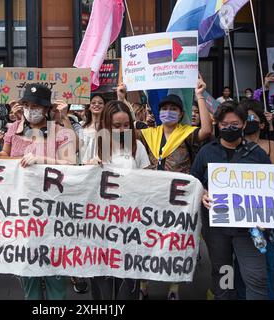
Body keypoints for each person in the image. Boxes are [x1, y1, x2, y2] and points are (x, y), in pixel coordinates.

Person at [0, 84, 76, 300]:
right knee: (29, 277)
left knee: (54, 274)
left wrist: (42, 160)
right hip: (22, 211)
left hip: (53, 210)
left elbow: (71, 164)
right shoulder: (12, 129)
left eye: (36, 106)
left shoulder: (61, 133)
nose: (30, 110)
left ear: (46, 109)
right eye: (27, 105)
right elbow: (6, 159)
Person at [140, 76, 212, 300]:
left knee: (175, 243)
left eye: (173, 109)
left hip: (178, 199)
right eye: (165, 108)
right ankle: (143, 286)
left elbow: (207, 131)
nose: (168, 112)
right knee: (145, 241)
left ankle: (174, 289)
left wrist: (200, 95)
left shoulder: (187, 134)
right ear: (158, 112)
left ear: (181, 114)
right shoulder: (149, 135)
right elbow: (121, 134)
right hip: (152, 196)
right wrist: (123, 98)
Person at [191, 101, 271, 300]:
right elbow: (194, 181)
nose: (229, 128)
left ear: (244, 124)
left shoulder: (257, 154)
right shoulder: (207, 152)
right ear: (217, 124)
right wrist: (202, 194)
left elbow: (271, 187)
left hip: (250, 229)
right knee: (223, 274)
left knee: (256, 277)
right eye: (224, 124)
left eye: (234, 123)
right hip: (217, 229)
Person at [88, 100, 150, 300]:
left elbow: (148, 181)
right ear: (106, 125)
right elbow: (81, 183)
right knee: (103, 284)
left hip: (130, 225)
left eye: (126, 125)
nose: (123, 130)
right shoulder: (95, 145)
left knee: (127, 284)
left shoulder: (138, 147)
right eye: (117, 126)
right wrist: (88, 166)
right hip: (100, 225)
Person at [232, 99, 274, 300]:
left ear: (262, 123)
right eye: (247, 117)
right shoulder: (236, 147)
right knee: (241, 267)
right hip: (241, 215)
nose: (250, 121)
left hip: (264, 216)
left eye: (254, 117)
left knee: (267, 263)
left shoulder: (270, 145)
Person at [79, 93, 106, 164]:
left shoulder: (108, 127)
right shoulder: (82, 128)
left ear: (104, 106)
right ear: (89, 107)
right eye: (93, 103)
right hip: (85, 169)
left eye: (100, 103)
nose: (97, 104)